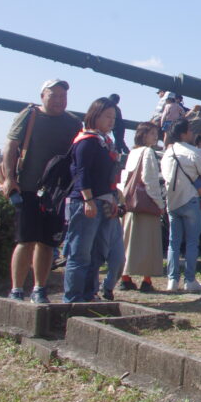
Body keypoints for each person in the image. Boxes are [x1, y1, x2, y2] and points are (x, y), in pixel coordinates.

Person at [1, 79, 82, 303]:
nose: (59, 100)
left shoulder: (73, 122)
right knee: (25, 240)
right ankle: (17, 289)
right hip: (28, 187)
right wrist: (9, 178)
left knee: (48, 243)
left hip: (55, 193)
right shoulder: (29, 115)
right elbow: (10, 145)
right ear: (42, 97)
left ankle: (39, 288)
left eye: (63, 96)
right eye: (53, 95)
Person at [63, 97, 120, 303]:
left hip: (103, 201)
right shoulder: (87, 141)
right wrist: (88, 200)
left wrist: (112, 199)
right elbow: (82, 173)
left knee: (96, 254)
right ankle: (73, 299)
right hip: (86, 202)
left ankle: (89, 294)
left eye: (113, 117)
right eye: (107, 116)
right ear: (95, 115)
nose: (111, 121)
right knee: (80, 254)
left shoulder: (104, 142)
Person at [161, 119, 201, 293]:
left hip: (172, 201)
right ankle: (189, 280)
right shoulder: (193, 153)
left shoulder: (167, 154)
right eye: (190, 131)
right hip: (191, 200)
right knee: (192, 243)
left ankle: (172, 280)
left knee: (173, 243)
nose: (192, 133)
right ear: (184, 133)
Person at [118, 122, 165, 293]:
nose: (155, 136)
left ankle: (125, 278)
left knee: (128, 242)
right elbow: (150, 180)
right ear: (144, 135)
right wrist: (159, 204)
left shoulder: (133, 152)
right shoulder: (147, 152)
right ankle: (146, 280)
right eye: (152, 133)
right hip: (146, 205)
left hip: (130, 203)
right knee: (148, 243)